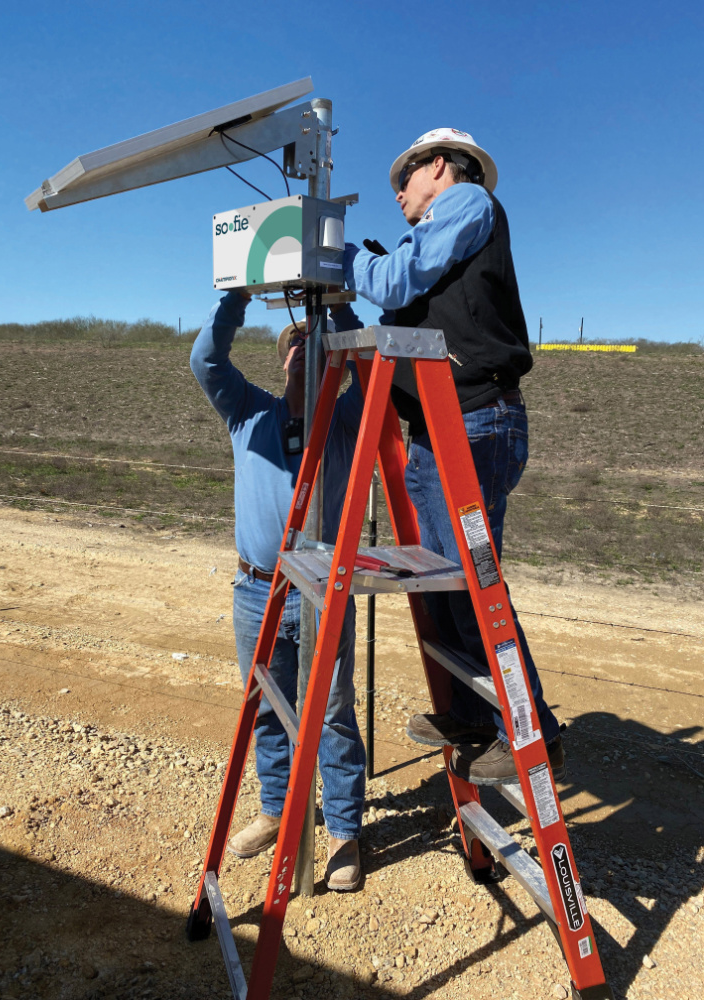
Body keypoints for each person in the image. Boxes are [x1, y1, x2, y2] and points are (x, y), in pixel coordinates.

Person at [341, 128, 564, 785]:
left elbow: (395, 279)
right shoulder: (435, 231)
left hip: (472, 421)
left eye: (402, 182)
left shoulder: (467, 205)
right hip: (437, 429)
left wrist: (342, 257)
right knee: (440, 580)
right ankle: (470, 710)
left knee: (472, 579)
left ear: (438, 167)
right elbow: (402, 287)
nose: (399, 195)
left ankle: (533, 733)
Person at [190, 291, 366, 889]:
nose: (301, 354)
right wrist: (234, 300)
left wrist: (339, 312)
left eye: (312, 346)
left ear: (328, 357)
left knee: (334, 712)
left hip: (319, 590)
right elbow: (205, 362)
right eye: (293, 346)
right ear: (281, 360)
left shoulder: (342, 418)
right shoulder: (249, 412)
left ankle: (342, 831)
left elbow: (373, 380)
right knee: (267, 708)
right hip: (255, 591)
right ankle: (276, 810)